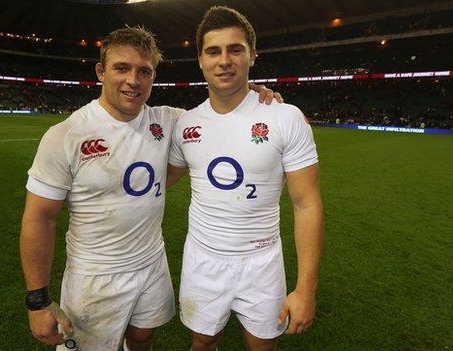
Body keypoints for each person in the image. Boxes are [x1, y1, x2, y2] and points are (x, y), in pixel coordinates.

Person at [19, 26, 282, 351]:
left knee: (144, 337)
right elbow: (39, 219)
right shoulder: (67, 135)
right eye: (122, 68)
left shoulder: (169, 121)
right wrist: (38, 301)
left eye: (144, 71)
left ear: (153, 76)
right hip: (95, 273)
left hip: (151, 262)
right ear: (101, 71)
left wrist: (251, 92)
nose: (133, 80)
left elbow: (221, 115)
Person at [167, 7, 324, 351]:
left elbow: (307, 204)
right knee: (202, 342)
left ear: (252, 56)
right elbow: (159, 182)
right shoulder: (185, 125)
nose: (224, 60)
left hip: (262, 262)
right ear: (200, 60)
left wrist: (306, 290)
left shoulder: (286, 118)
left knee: (262, 346)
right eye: (213, 51)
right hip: (203, 259)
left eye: (235, 49)